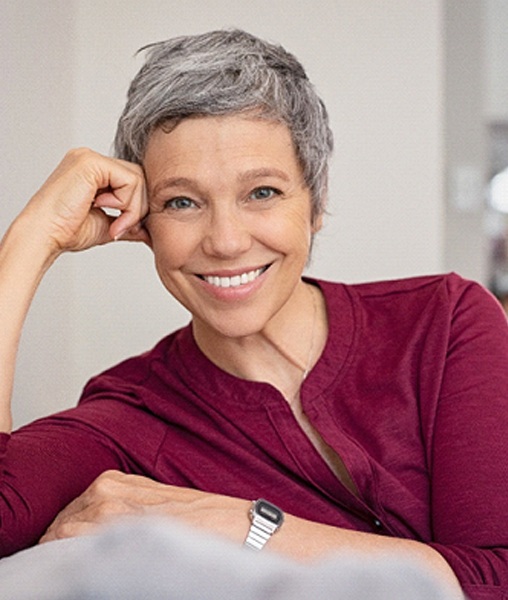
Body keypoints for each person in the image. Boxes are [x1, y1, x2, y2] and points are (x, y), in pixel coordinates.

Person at [0, 29, 506, 600]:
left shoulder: (443, 321)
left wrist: (247, 527)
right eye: (182, 202)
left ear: (315, 204)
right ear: (141, 223)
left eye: (261, 193)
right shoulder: (130, 414)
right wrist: (29, 240)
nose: (225, 241)